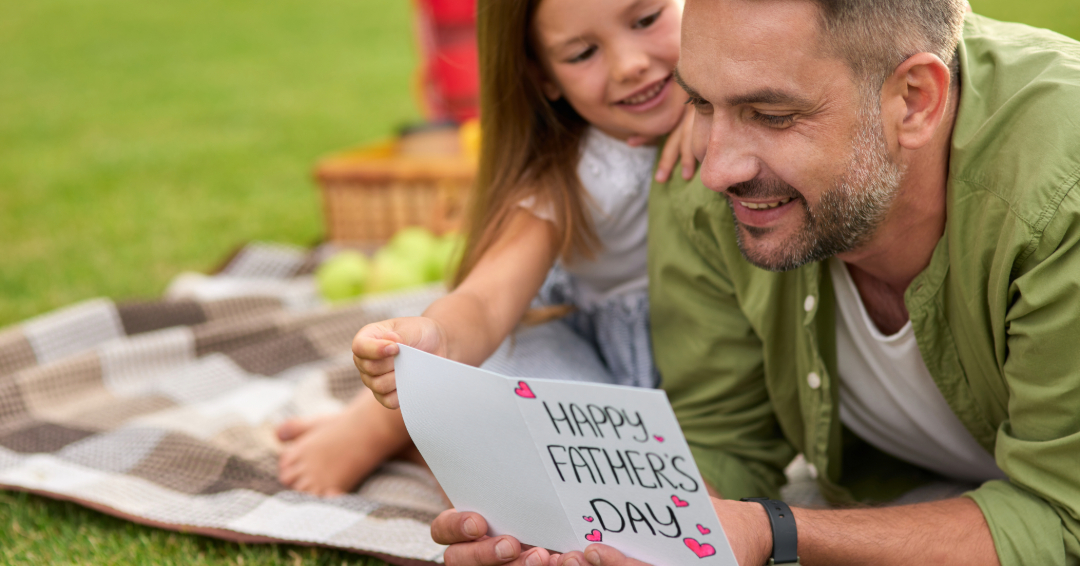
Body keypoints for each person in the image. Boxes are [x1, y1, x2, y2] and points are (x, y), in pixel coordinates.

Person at [424, 1, 1080, 565]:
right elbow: (724, 440)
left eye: (770, 114)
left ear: (913, 100)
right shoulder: (694, 172)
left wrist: (773, 532)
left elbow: (1062, 521)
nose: (716, 169)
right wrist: (586, 538)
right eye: (701, 101)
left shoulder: (1060, 202)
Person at [277, 0, 700, 496]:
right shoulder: (574, 178)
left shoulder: (751, 104)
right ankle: (381, 426)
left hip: (722, 367)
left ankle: (423, 440)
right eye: (583, 53)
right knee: (498, 386)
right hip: (610, 369)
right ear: (544, 77)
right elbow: (485, 301)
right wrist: (436, 339)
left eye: (647, 20)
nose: (630, 64)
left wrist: (719, 112)